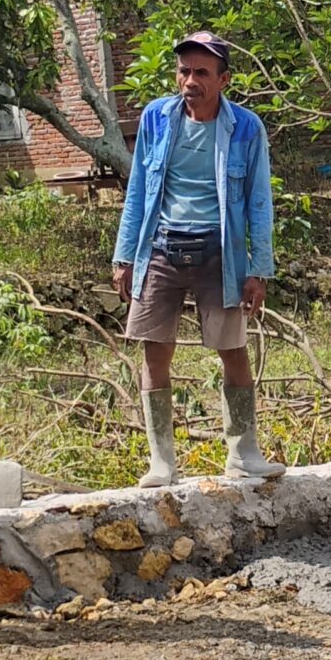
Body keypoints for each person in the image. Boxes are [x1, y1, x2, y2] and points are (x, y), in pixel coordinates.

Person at [113, 31, 285, 486]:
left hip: (219, 253)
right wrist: (124, 256)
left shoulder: (245, 127)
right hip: (161, 248)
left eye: (202, 73)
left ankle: (244, 454)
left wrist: (258, 270)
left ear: (223, 80)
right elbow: (138, 191)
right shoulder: (155, 118)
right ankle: (161, 462)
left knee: (233, 349)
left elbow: (259, 201)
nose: (191, 81)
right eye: (184, 71)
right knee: (155, 352)